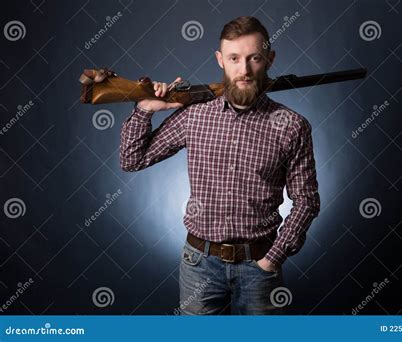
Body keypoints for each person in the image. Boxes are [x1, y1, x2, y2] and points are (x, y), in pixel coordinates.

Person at [120, 16, 320, 315]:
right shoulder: (194, 115)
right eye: (234, 58)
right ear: (220, 60)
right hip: (199, 265)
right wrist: (145, 109)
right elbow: (131, 160)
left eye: (254, 58)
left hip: (260, 266)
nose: (244, 69)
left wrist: (273, 258)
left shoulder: (292, 126)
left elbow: (306, 201)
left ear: (269, 58)